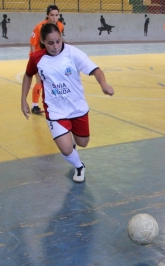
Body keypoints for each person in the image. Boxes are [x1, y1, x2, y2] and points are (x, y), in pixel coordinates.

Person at [21, 23, 114, 183]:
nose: (56, 46)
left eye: (58, 41)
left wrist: (103, 84)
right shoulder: (37, 58)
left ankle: (71, 143)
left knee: (82, 142)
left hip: (77, 108)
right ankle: (79, 167)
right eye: (50, 43)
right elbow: (28, 75)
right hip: (55, 111)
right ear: (42, 41)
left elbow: (96, 70)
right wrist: (23, 100)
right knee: (65, 148)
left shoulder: (73, 53)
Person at [29, 5, 65, 114]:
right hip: (40, 57)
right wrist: (35, 59)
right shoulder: (40, 27)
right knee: (39, 80)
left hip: (52, 56)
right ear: (47, 15)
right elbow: (32, 43)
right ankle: (34, 105)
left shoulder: (59, 25)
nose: (54, 18)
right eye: (52, 15)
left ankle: (53, 103)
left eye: (56, 15)